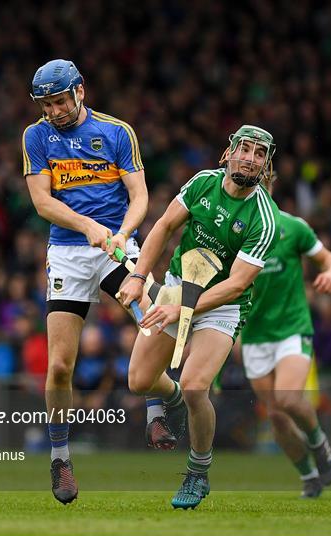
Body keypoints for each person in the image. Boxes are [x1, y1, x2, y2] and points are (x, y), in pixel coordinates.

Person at [119, 125, 281, 509]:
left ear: (265, 165)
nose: (250, 159)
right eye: (244, 149)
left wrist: (182, 309)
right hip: (176, 286)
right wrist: (140, 275)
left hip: (222, 305)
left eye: (259, 155)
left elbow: (237, 285)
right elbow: (163, 227)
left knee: (195, 385)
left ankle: (198, 470)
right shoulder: (202, 184)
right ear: (228, 153)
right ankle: (170, 397)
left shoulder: (264, 217)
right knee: (139, 381)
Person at [22, 59, 148, 504]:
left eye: (59, 101)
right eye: (46, 104)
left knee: (151, 321)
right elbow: (42, 202)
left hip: (116, 244)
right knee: (59, 366)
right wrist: (86, 227)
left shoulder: (117, 132)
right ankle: (60, 457)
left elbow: (140, 196)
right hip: (69, 253)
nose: (53, 110)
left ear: (80, 91)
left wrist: (122, 235)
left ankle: (158, 407)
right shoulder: (36, 136)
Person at [239, 178, 331, 498]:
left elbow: (329, 259)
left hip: (292, 329)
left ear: (270, 185)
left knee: (287, 398)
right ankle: (309, 475)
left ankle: (318, 440)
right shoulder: (235, 230)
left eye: (262, 182)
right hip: (255, 335)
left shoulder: (293, 227)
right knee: (277, 417)